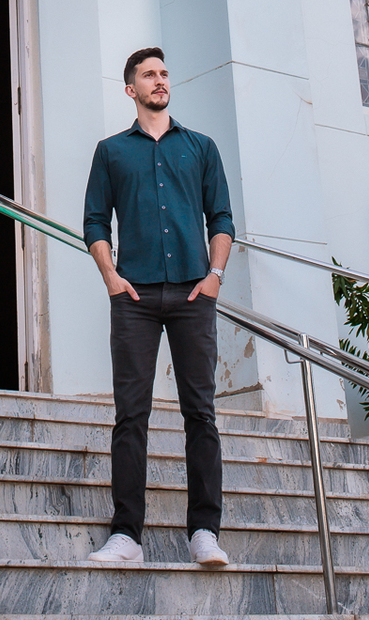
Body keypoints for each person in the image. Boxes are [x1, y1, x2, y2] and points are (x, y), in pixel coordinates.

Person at [82, 46, 235, 569]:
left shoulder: (201, 147)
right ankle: (126, 535)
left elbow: (221, 217)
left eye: (164, 73)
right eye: (149, 75)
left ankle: (205, 533)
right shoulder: (111, 152)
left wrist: (215, 276)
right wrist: (111, 276)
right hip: (135, 297)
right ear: (131, 89)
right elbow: (95, 220)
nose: (160, 80)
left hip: (194, 292)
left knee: (201, 413)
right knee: (131, 415)